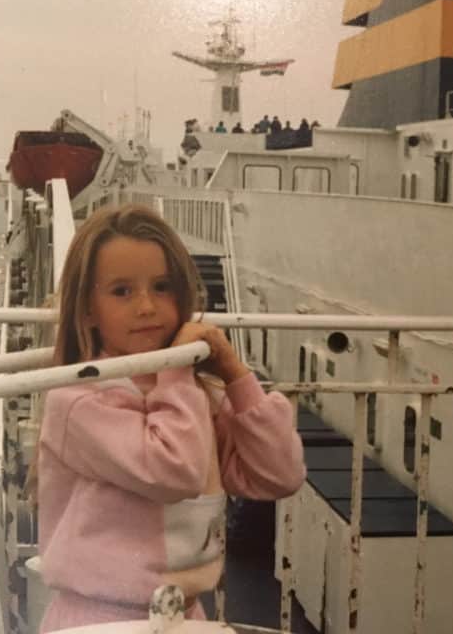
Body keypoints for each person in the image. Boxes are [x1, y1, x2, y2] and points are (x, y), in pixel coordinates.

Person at [35, 204, 305, 632]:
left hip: (183, 614)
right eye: (121, 292)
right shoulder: (78, 402)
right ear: (88, 310)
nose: (146, 306)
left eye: (162, 287)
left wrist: (236, 376)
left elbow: (279, 474)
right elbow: (172, 471)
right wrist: (177, 370)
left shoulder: (195, 396)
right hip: (97, 619)